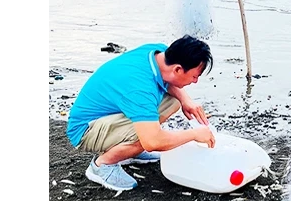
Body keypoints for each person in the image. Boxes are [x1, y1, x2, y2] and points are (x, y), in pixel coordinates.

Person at [66, 35, 217, 191]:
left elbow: (169, 81)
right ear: (178, 69)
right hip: (85, 130)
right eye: (194, 76)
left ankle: (130, 151)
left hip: (110, 114)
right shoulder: (140, 88)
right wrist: (194, 134)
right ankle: (102, 165)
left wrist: (187, 101)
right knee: (148, 138)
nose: (195, 81)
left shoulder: (160, 53)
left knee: (174, 101)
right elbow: (154, 142)